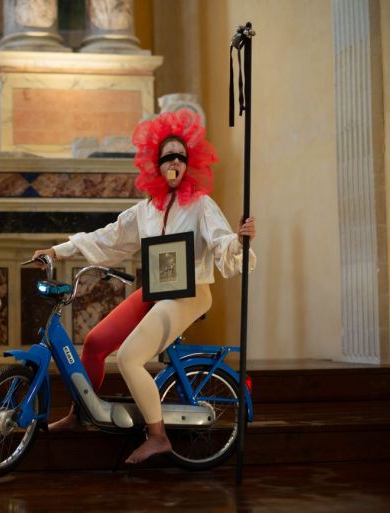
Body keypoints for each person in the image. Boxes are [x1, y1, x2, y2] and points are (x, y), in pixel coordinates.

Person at [31, 109, 256, 464]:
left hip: (190, 293)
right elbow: (108, 238)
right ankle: (80, 414)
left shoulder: (200, 205)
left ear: (189, 164)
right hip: (156, 290)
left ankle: (158, 436)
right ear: (157, 164)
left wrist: (238, 241)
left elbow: (221, 241)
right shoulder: (145, 210)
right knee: (94, 344)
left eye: (181, 157)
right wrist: (57, 251)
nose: (175, 162)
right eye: (168, 156)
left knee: (131, 358)